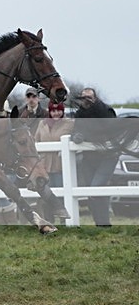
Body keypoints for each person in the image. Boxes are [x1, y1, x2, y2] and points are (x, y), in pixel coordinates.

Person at [71, 87, 118, 226]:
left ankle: (105, 223)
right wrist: (77, 137)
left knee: (97, 187)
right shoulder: (79, 114)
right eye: (83, 97)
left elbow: (110, 130)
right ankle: (99, 223)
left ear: (95, 99)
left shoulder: (106, 111)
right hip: (89, 158)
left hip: (107, 157)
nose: (85, 100)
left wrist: (87, 136)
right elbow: (75, 131)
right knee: (90, 190)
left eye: (89, 98)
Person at [34, 102, 73, 222]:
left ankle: (65, 222)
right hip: (44, 166)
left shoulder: (70, 123)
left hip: (61, 166)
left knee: (62, 195)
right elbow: (36, 141)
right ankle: (49, 222)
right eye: (53, 111)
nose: (56, 113)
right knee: (46, 196)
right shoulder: (42, 123)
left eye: (58, 110)